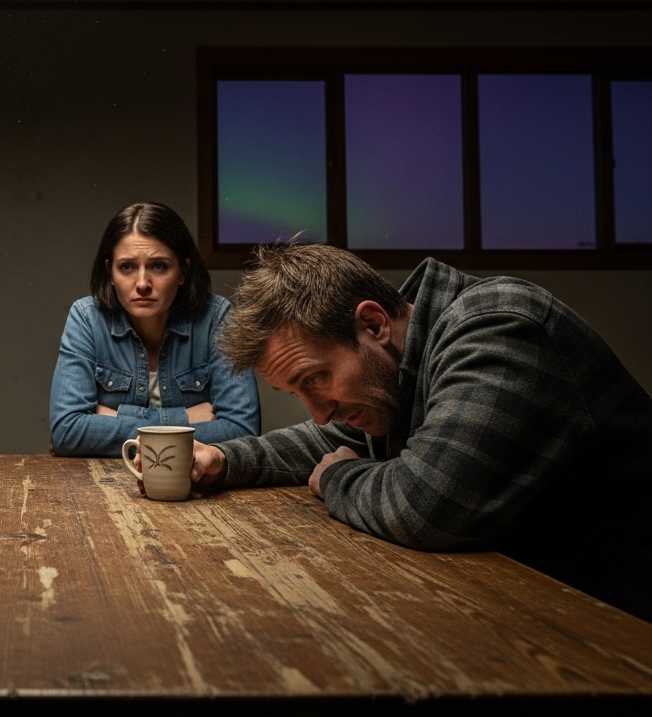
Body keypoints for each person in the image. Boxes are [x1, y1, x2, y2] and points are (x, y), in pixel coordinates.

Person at [180, 242, 652, 621]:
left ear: (373, 323)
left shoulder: (498, 328)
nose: (319, 412)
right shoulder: (403, 365)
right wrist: (224, 461)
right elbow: (328, 440)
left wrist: (336, 479)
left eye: (316, 378)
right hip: (540, 603)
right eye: (298, 392)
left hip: (624, 626)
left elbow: (425, 506)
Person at [49, 202, 260, 457]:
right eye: (126, 267)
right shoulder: (88, 318)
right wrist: (183, 418)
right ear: (110, 273)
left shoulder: (215, 317)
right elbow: (67, 432)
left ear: (183, 271)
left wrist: (116, 416)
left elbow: (242, 431)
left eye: (158, 266)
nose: (142, 284)